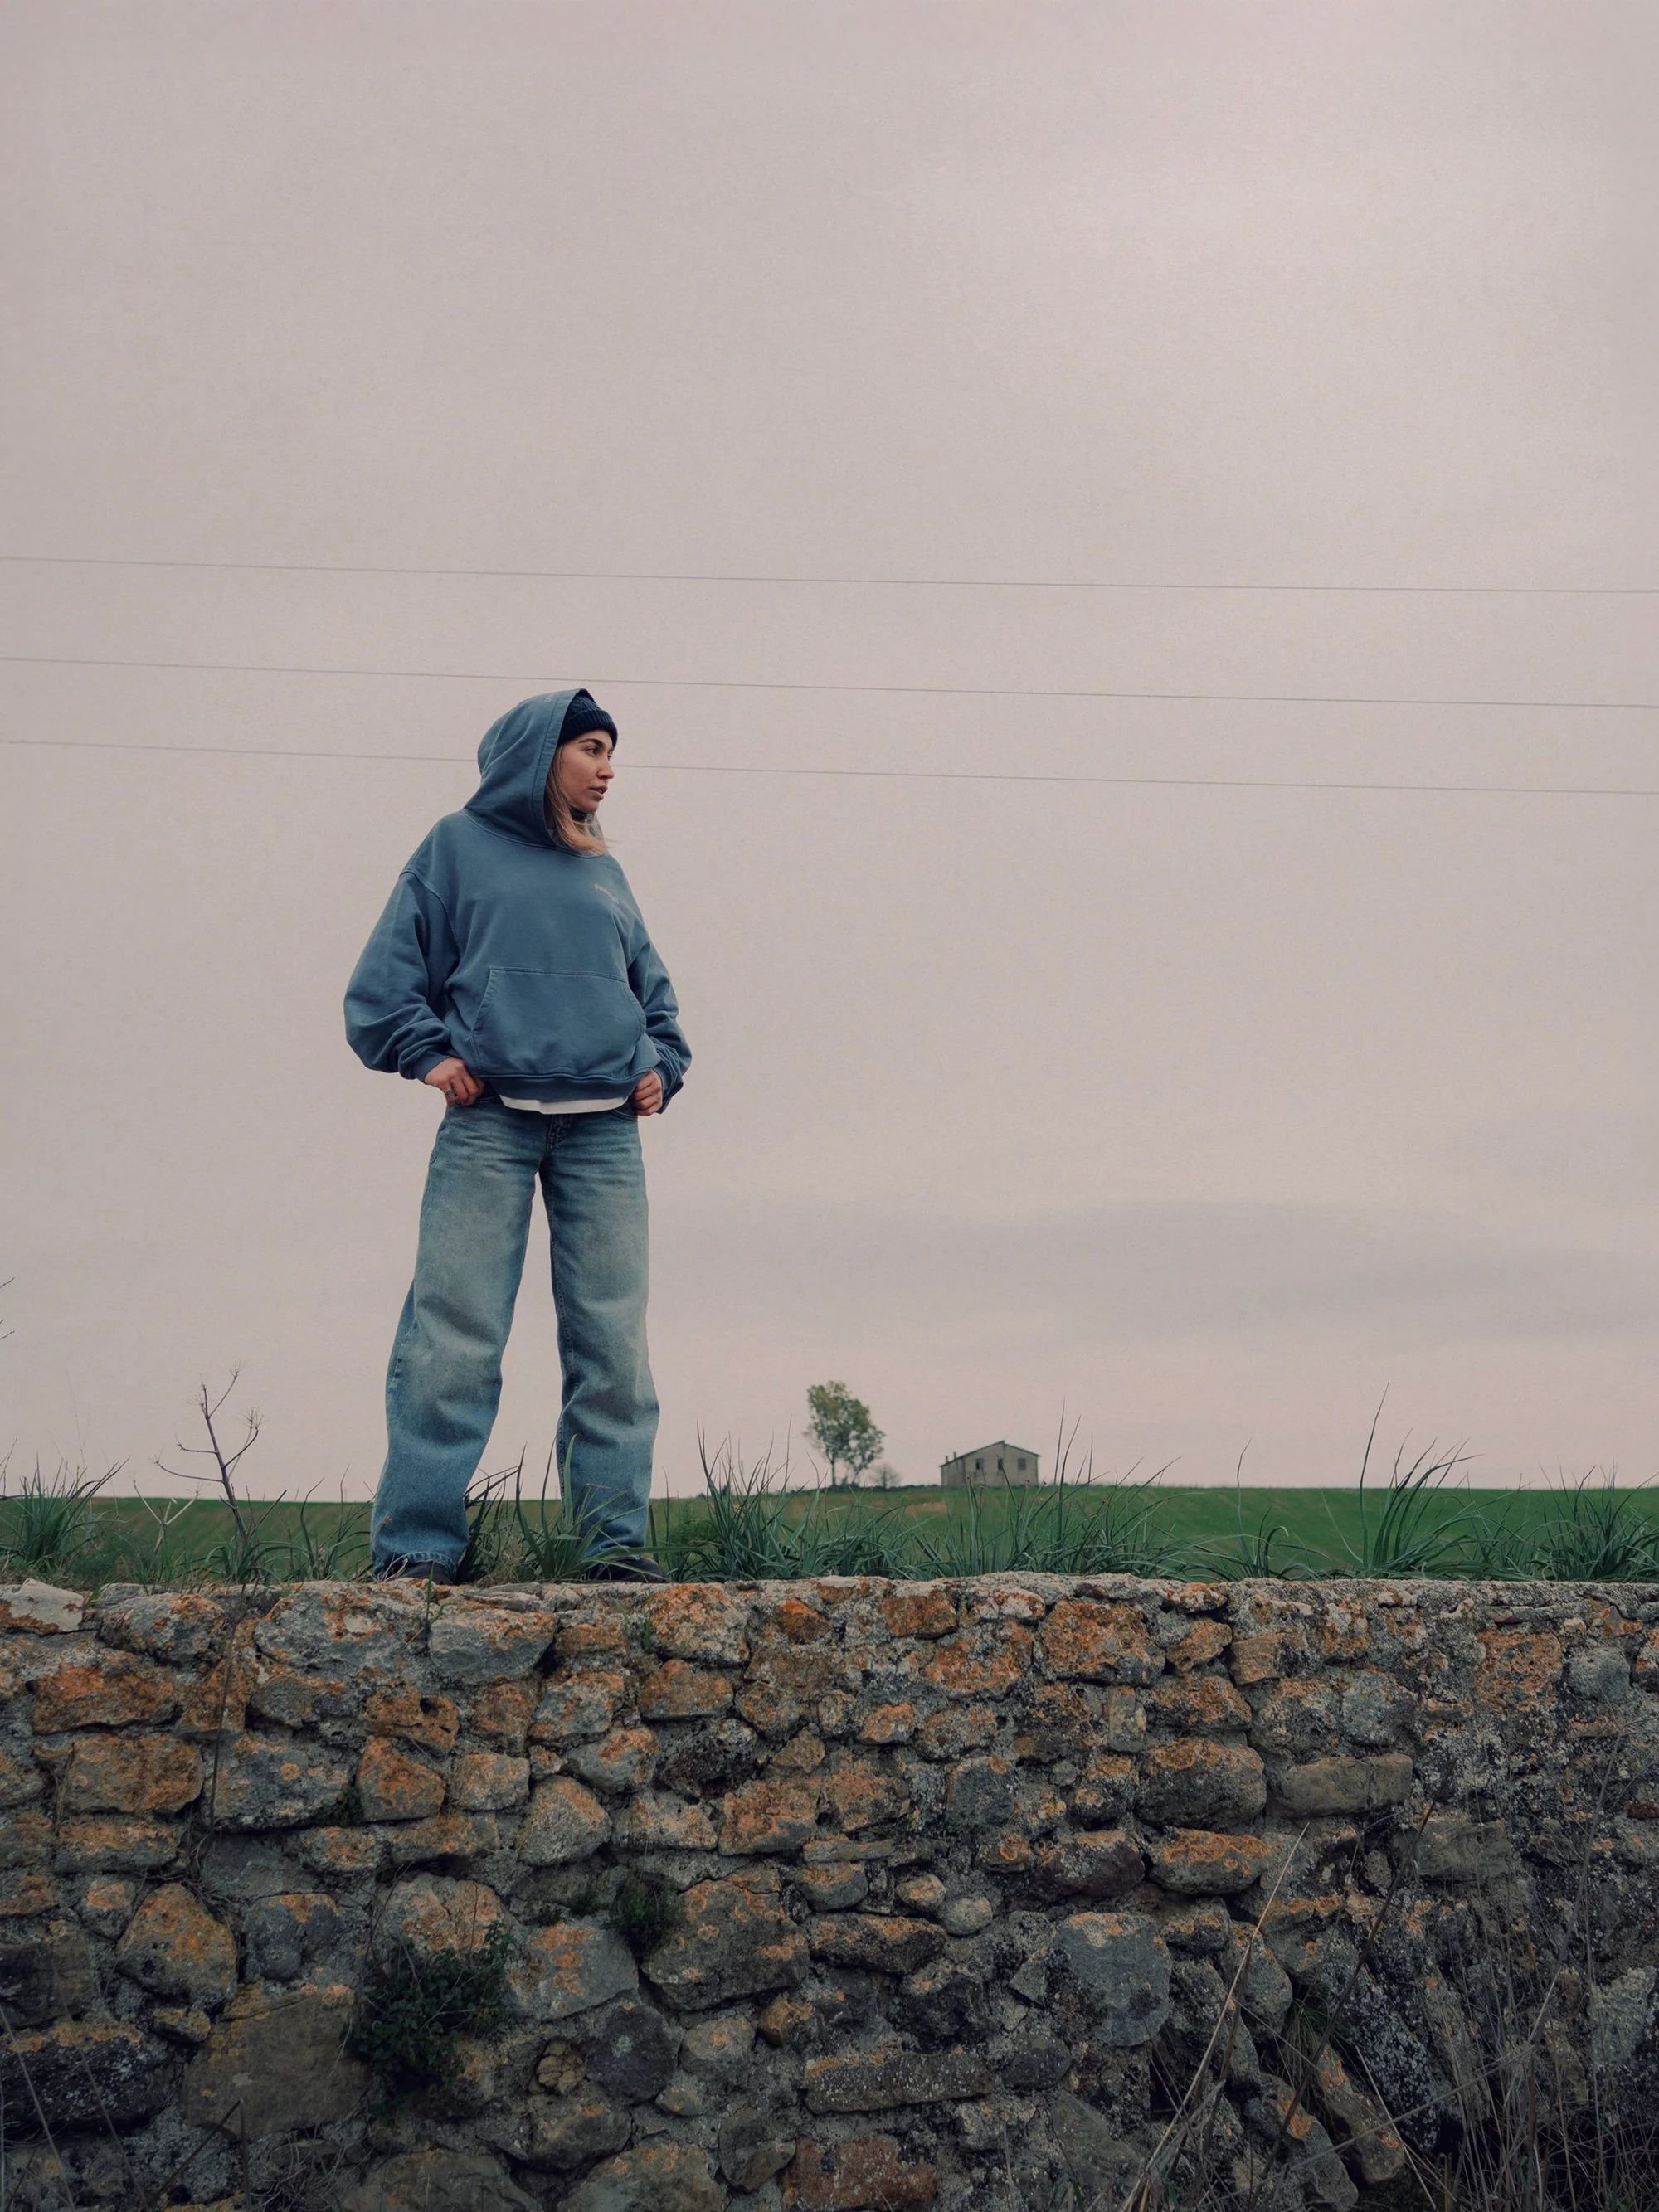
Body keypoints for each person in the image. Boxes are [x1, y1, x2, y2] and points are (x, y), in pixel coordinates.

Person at [344, 688, 689, 1582]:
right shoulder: (454, 848)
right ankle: (417, 1551)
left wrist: (660, 1060)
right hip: (488, 1123)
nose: (608, 767)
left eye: (611, 751)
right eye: (590, 747)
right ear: (537, 754)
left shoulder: (604, 871)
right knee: (452, 1335)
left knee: (613, 1347)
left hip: (605, 1133)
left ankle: (615, 1551)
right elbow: (383, 985)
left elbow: (649, 991)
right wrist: (428, 1056)